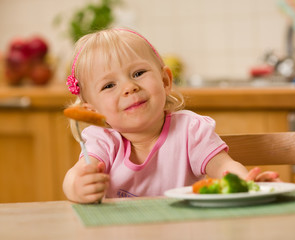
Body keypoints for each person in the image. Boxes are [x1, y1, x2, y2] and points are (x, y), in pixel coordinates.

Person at [63, 28, 279, 203]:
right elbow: (75, 175)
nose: (129, 87)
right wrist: (76, 187)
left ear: (165, 81)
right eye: (109, 85)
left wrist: (246, 183)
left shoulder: (190, 130)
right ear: (91, 110)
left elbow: (223, 167)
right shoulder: (102, 141)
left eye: (138, 73)